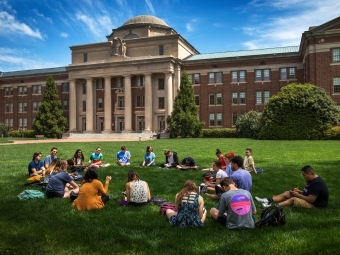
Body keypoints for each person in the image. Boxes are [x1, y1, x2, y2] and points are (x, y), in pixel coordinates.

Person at [255, 165, 329, 208]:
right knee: (288, 193)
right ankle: (267, 200)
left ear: (309, 174)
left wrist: (298, 195)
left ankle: (272, 206)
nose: (303, 177)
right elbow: (309, 192)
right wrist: (299, 192)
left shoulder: (316, 183)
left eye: (304, 175)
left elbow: (311, 200)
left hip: (315, 204)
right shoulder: (311, 181)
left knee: (293, 199)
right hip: (311, 200)